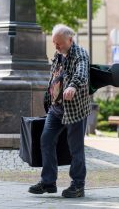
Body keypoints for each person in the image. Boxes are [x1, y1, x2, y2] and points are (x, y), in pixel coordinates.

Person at [28, 24, 91, 198]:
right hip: (56, 109)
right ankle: (48, 182)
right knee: (46, 140)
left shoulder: (80, 54)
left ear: (70, 40)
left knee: (76, 149)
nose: (56, 47)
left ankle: (78, 186)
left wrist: (72, 86)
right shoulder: (58, 54)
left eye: (59, 43)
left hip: (75, 109)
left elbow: (81, 74)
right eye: (54, 43)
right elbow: (54, 77)